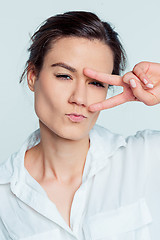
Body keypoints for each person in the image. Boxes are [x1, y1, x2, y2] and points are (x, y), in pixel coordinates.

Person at [0, 10, 160, 240]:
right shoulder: (4, 196)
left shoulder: (147, 157)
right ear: (33, 76)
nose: (80, 98)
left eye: (96, 83)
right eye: (64, 76)